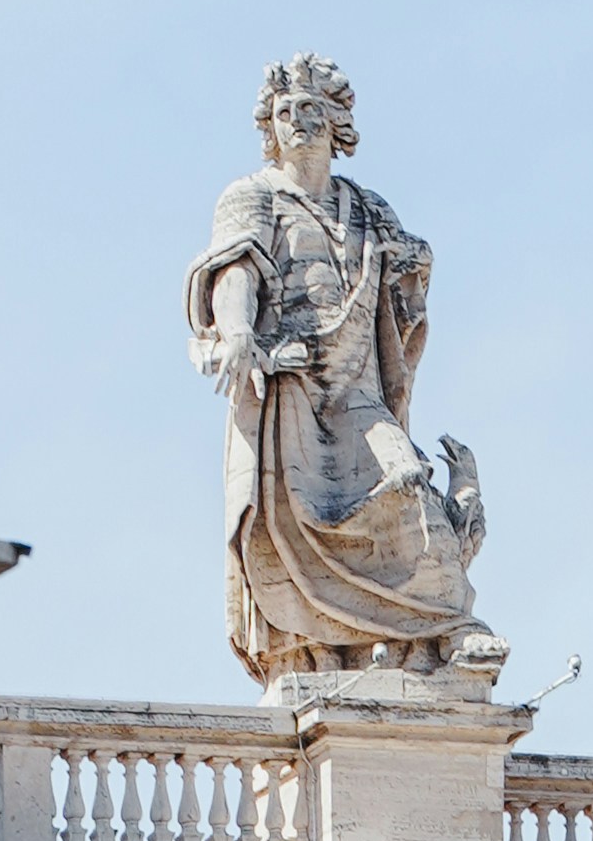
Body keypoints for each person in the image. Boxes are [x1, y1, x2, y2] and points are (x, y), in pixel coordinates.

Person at [186, 54, 495, 694]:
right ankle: (317, 645)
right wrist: (240, 331)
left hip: (357, 387)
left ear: (336, 123)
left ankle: (444, 622)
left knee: (406, 481)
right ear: (270, 126)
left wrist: (408, 270)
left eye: (311, 110)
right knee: (299, 515)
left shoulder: (368, 207)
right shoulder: (253, 196)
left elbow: (409, 287)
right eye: (284, 112)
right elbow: (233, 270)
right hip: (291, 383)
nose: (297, 121)